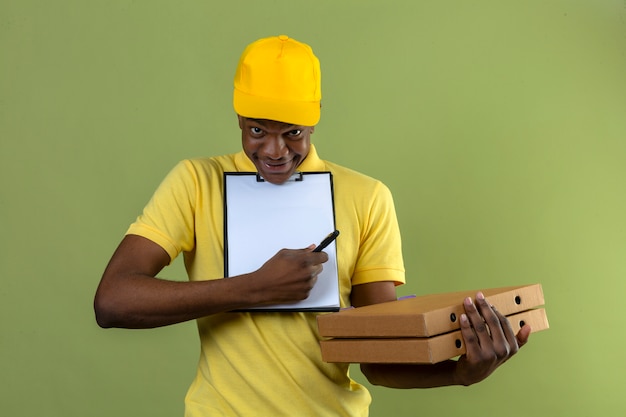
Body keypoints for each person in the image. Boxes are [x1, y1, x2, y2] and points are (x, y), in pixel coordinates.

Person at [94, 35, 531, 416]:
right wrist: (254, 287)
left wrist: (461, 374)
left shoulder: (367, 197)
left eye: (293, 133)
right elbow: (112, 302)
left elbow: (377, 360)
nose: (274, 150)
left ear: (315, 118)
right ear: (239, 120)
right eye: (257, 131)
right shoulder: (196, 182)